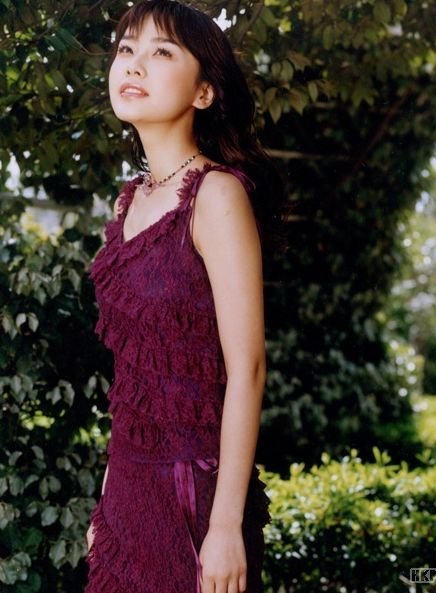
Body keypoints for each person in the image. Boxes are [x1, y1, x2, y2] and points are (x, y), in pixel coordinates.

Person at [84, 1, 282, 593]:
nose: (133, 64)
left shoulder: (216, 196)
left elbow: (247, 369)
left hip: (196, 495)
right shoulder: (129, 201)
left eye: (161, 52)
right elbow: (132, 376)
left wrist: (224, 526)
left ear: (204, 92)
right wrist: (106, 501)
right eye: (126, 50)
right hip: (127, 492)